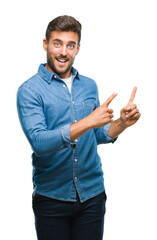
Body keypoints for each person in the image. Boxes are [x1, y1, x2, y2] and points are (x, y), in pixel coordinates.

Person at [17, 15, 141, 240]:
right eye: (57, 43)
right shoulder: (30, 90)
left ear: (77, 48)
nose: (63, 52)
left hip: (92, 196)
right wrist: (89, 121)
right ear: (46, 44)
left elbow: (95, 135)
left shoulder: (89, 86)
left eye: (70, 45)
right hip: (51, 199)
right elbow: (40, 142)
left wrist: (122, 123)